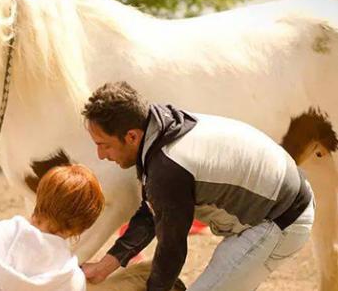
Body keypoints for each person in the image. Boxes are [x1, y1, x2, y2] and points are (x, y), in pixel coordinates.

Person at [80, 81, 314, 291]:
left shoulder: (168, 166)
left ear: (131, 136)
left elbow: (171, 250)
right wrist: (105, 266)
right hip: (275, 207)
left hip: (280, 221)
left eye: (105, 145)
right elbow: (153, 211)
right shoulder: (160, 127)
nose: (101, 155)